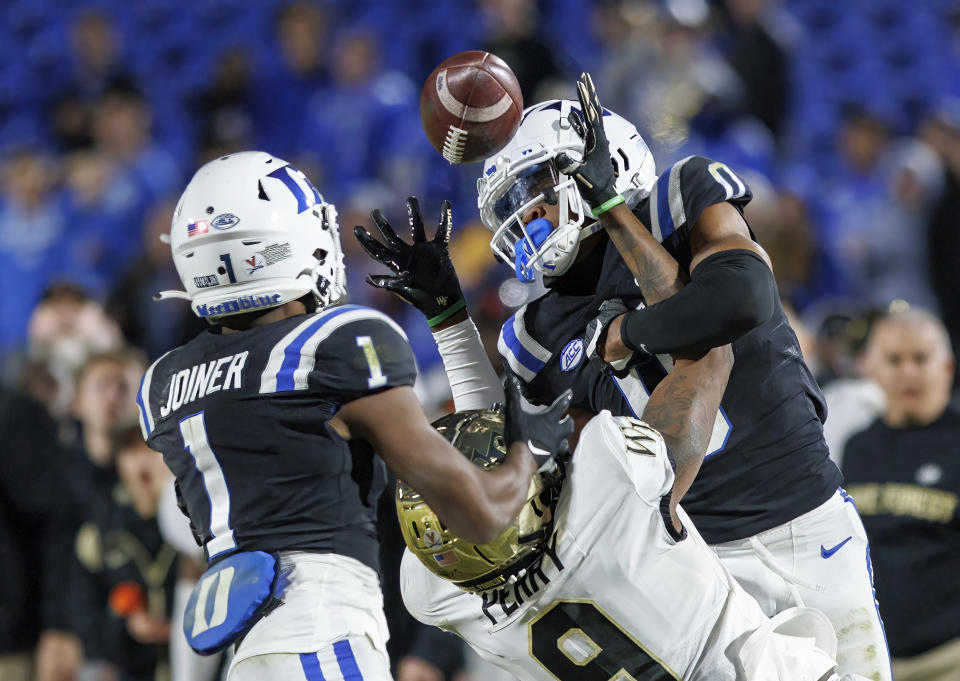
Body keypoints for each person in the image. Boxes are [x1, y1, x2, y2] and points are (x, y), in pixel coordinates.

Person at [355, 73, 889, 680]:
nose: (526, 217)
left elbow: (740, 300)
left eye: (537, 190)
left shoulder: (678, 196)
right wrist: (450, 319)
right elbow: (498, 454)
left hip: (803, 521)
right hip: (687, 556)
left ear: (601, 162)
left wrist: (623, 326)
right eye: (510, 206)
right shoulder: (533, 330)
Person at [137, 152, 572, 681]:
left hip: (249, 659)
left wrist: (446, 316)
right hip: (323, 638)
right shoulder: (332, 344)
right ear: (283, 243)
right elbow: (480, 515)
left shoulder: (163, 384)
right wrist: (530, 449)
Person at [399, 339, 855, 680]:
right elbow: (713, 356)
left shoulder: (436, 594)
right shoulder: (610, 483)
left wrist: (451, 324)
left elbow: (479, 508)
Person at [842, 309, 960, 681]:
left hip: (948, 657)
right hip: (873, 660)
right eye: (894, 360)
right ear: (871, 369)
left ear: (947, 367)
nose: (908, 371)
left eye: (921, 359)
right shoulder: (856, 448)